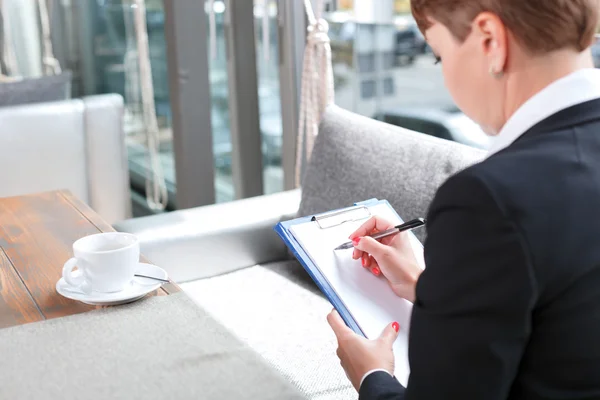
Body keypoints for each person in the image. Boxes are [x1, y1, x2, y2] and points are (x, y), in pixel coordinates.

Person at [326, 0, 600, 399]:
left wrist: (373, 378)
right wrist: (436, 291)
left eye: (439, 56)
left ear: (490, 39)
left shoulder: (488, 200)